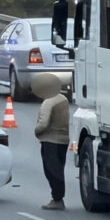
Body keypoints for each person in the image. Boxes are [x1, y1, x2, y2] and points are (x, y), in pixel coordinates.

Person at [32, 73, 70, 210]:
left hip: (50, 140)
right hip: (63, 140)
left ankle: (57, 199)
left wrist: (36, 131)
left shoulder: (48, 102)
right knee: (59, 168)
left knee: (51, 170)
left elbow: (43, 123)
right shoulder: (63, 99)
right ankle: (58, 197)